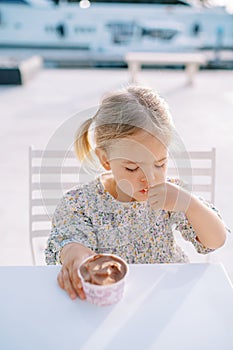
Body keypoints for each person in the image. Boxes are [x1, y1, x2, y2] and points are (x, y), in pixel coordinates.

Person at [45, 85, 228, 300]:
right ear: (105, 160)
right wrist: (76, 255)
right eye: (132, 168)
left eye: (160, 164)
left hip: (166, 293)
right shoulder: (80, 202)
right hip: (114, 301)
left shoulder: (170, 195)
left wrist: (190, 204)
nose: (150, 178)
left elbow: (215, 241)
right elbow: (70, 238)